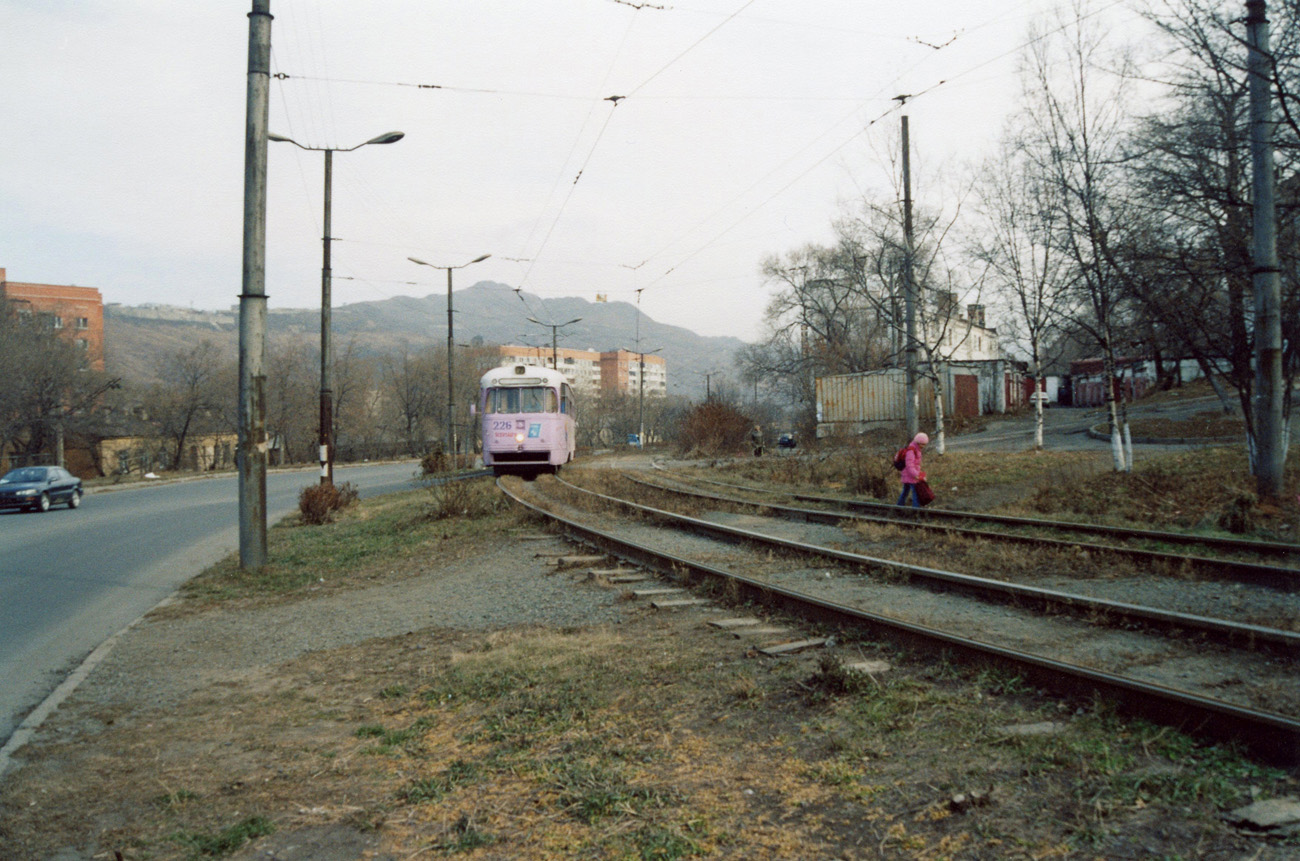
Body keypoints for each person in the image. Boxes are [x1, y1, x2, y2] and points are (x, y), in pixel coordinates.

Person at [896, 432, 929, 507]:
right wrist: (916, 475)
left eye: (924, 444)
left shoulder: (915, 449)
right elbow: (909, 465)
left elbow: (915, 465)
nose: (923, 446)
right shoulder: (911, 451)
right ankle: (915, 509)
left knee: (905, 491)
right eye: (922, 444)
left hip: (909, 474)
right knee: (915, 492)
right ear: (918, 442)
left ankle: (899, 506)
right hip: (911, 475)